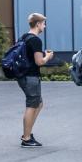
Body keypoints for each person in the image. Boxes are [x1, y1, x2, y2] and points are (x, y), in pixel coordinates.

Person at [15, 13, 54, 148]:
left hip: (22, 75)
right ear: (38, 24)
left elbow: (29, 57)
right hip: (31, 77)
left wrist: (43, 55)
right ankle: (26, 138)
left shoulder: (24, 37)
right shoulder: (36, 40)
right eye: (43, 23)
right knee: (32, 105)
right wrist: (48, 56)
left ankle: (28, 133)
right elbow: (39, 62)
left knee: (39, 103)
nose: (45, 26)